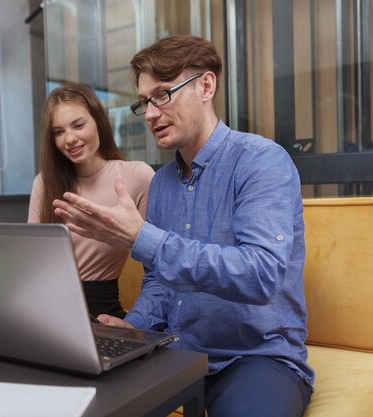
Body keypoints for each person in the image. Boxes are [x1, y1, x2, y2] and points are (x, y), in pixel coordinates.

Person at [52, 35, 314, 417]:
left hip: (256, 358)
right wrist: (135, 327)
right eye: (144, 103)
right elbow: (160, 281)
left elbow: (261, 274)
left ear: (206, 86)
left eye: (162, 94)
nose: (152, 113)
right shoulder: (161, 184)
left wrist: (142, 238)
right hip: (178, 351)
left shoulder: (261, 162)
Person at [28, 82, 153, 318]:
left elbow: (158, 261)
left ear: (98, 121)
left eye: (78, 125)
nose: (70, 139)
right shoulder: (44, 182)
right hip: (47, 312)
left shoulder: (137, 176)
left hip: (102, 313)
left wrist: (141, 321)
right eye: (59, 132)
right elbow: (34, 263)